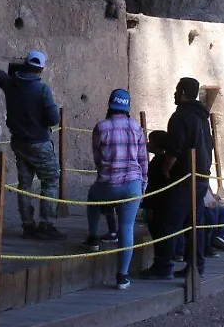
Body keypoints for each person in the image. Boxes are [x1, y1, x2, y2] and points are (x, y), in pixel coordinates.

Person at [0, 50, 64, 240]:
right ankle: (46, 224)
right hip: (39, 143)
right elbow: (54, 119)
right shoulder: (42, 90)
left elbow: (1, 77)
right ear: (41, 68)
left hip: (19, 143)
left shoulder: (12, 84)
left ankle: (28, 225)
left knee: (24, 184)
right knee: (50, 181)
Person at [140, 77, 214, 280]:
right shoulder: (202, 117)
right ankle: (196, 265)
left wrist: (166, 167)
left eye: (176, 90)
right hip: (201, 176)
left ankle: (163, 266)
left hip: (183, 177)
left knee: (168, 223)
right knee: (194, 225)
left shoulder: (181, 116)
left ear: (182, 92)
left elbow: (175, 146)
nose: (174, 94)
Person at [80, 89, 147, 290]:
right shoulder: (136, 127)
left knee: (93, 198)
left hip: (108, 183)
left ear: (110, 104)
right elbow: (143, 160)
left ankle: (93, 237)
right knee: (126, 228)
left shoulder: (101, 127)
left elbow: (97, 158)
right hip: (132, 184)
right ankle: (122, 276)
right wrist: (143, 186)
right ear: (127, 107)